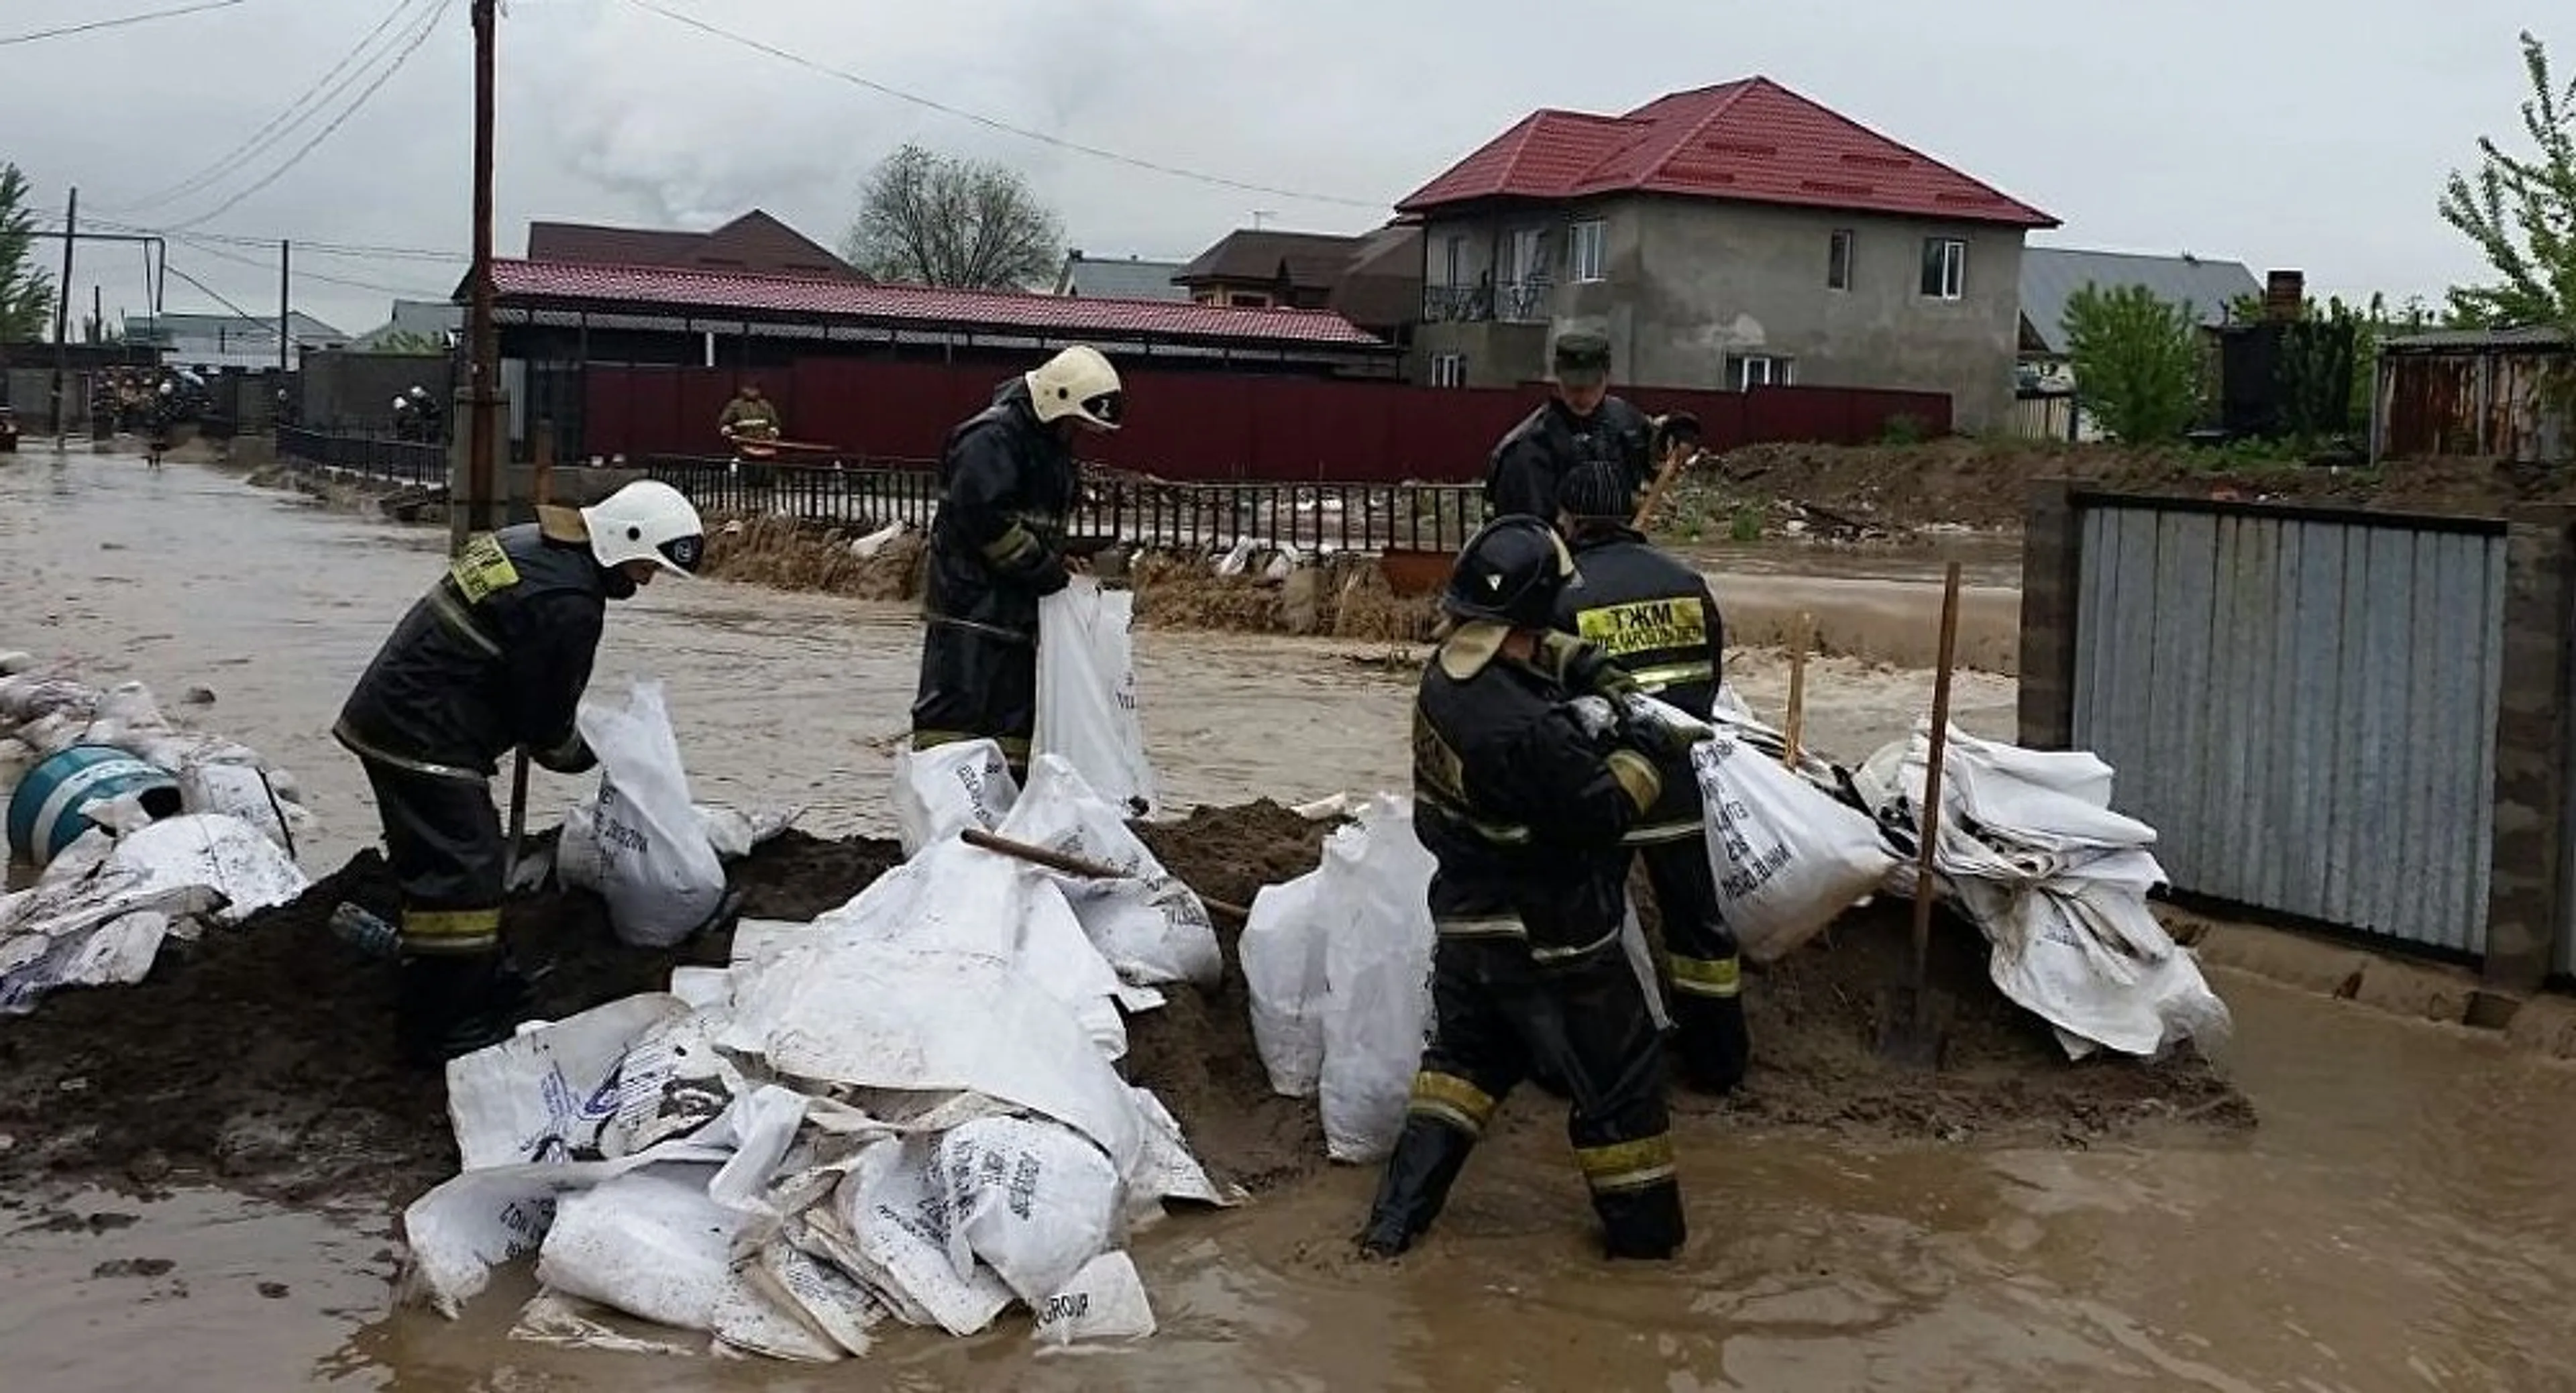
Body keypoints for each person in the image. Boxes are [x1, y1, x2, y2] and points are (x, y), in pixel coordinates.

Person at [1360, 514, 1696, 1263]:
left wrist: (1592, 670)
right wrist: (1650, 751)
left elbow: (1535, 649)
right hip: (1555, 942)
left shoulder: (1447, 678)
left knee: (1462, 1070)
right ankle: (1649, 1253)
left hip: (1469, 925)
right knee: (1620, 1089)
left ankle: (1388, 1234)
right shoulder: (1529, 730)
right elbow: (1604, 813)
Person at [334, 480, 706, 1064]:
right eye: (646, 566)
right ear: (623, 539)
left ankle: (463, 979)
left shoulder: (530, 542)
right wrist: (590, 754)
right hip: (424, 734)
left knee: (444, 867)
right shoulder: (568, 600)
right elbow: (545, 721)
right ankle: (445, 1027)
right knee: (467, 879)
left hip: (399, 716)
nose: (646, 580)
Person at [1550, 462, 1750, 1095]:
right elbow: (1708, 684)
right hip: (1679, 779)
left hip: (1603, 788)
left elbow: (1553, 703)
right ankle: (1719, 1061)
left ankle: (1606, 1060)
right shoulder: (1685, 581)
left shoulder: (1564, 593)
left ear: (1568, 519)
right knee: (1698, 924)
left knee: (1591, 928)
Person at [910, 343, 1124, 781]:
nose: (1078, 433)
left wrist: (1059, 559)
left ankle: (1003, 809)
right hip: (970, 615)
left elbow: (1029, 523)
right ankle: (945, 809)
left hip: (1014, 617)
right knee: (955, 729)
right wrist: (1045, 571)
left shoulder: (1043, 444)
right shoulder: (990, 439)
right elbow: (986, 520)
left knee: (1009, 739)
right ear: (1055, 401)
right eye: (1077, 423)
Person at [1483, 331, 1656, 520]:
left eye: (1593, 385)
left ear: (1607, 375)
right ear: (1558, 376)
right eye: (1574, 387)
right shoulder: (1527, 450)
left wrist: (1672, 435)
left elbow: (1659, 458)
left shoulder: (1627, 423)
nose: (1584, 397)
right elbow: (1523, 529)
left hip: (1624, 535)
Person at [718, 380, 782, 446]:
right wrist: (729, 432)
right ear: (743, 390)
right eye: (749, 389)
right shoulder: (735, 405)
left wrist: (772, 433)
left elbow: (774, 424)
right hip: (742, 441)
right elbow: (725, 423)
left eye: (754, 389)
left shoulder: (765, 405)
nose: (752, 392)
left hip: (764, 441)